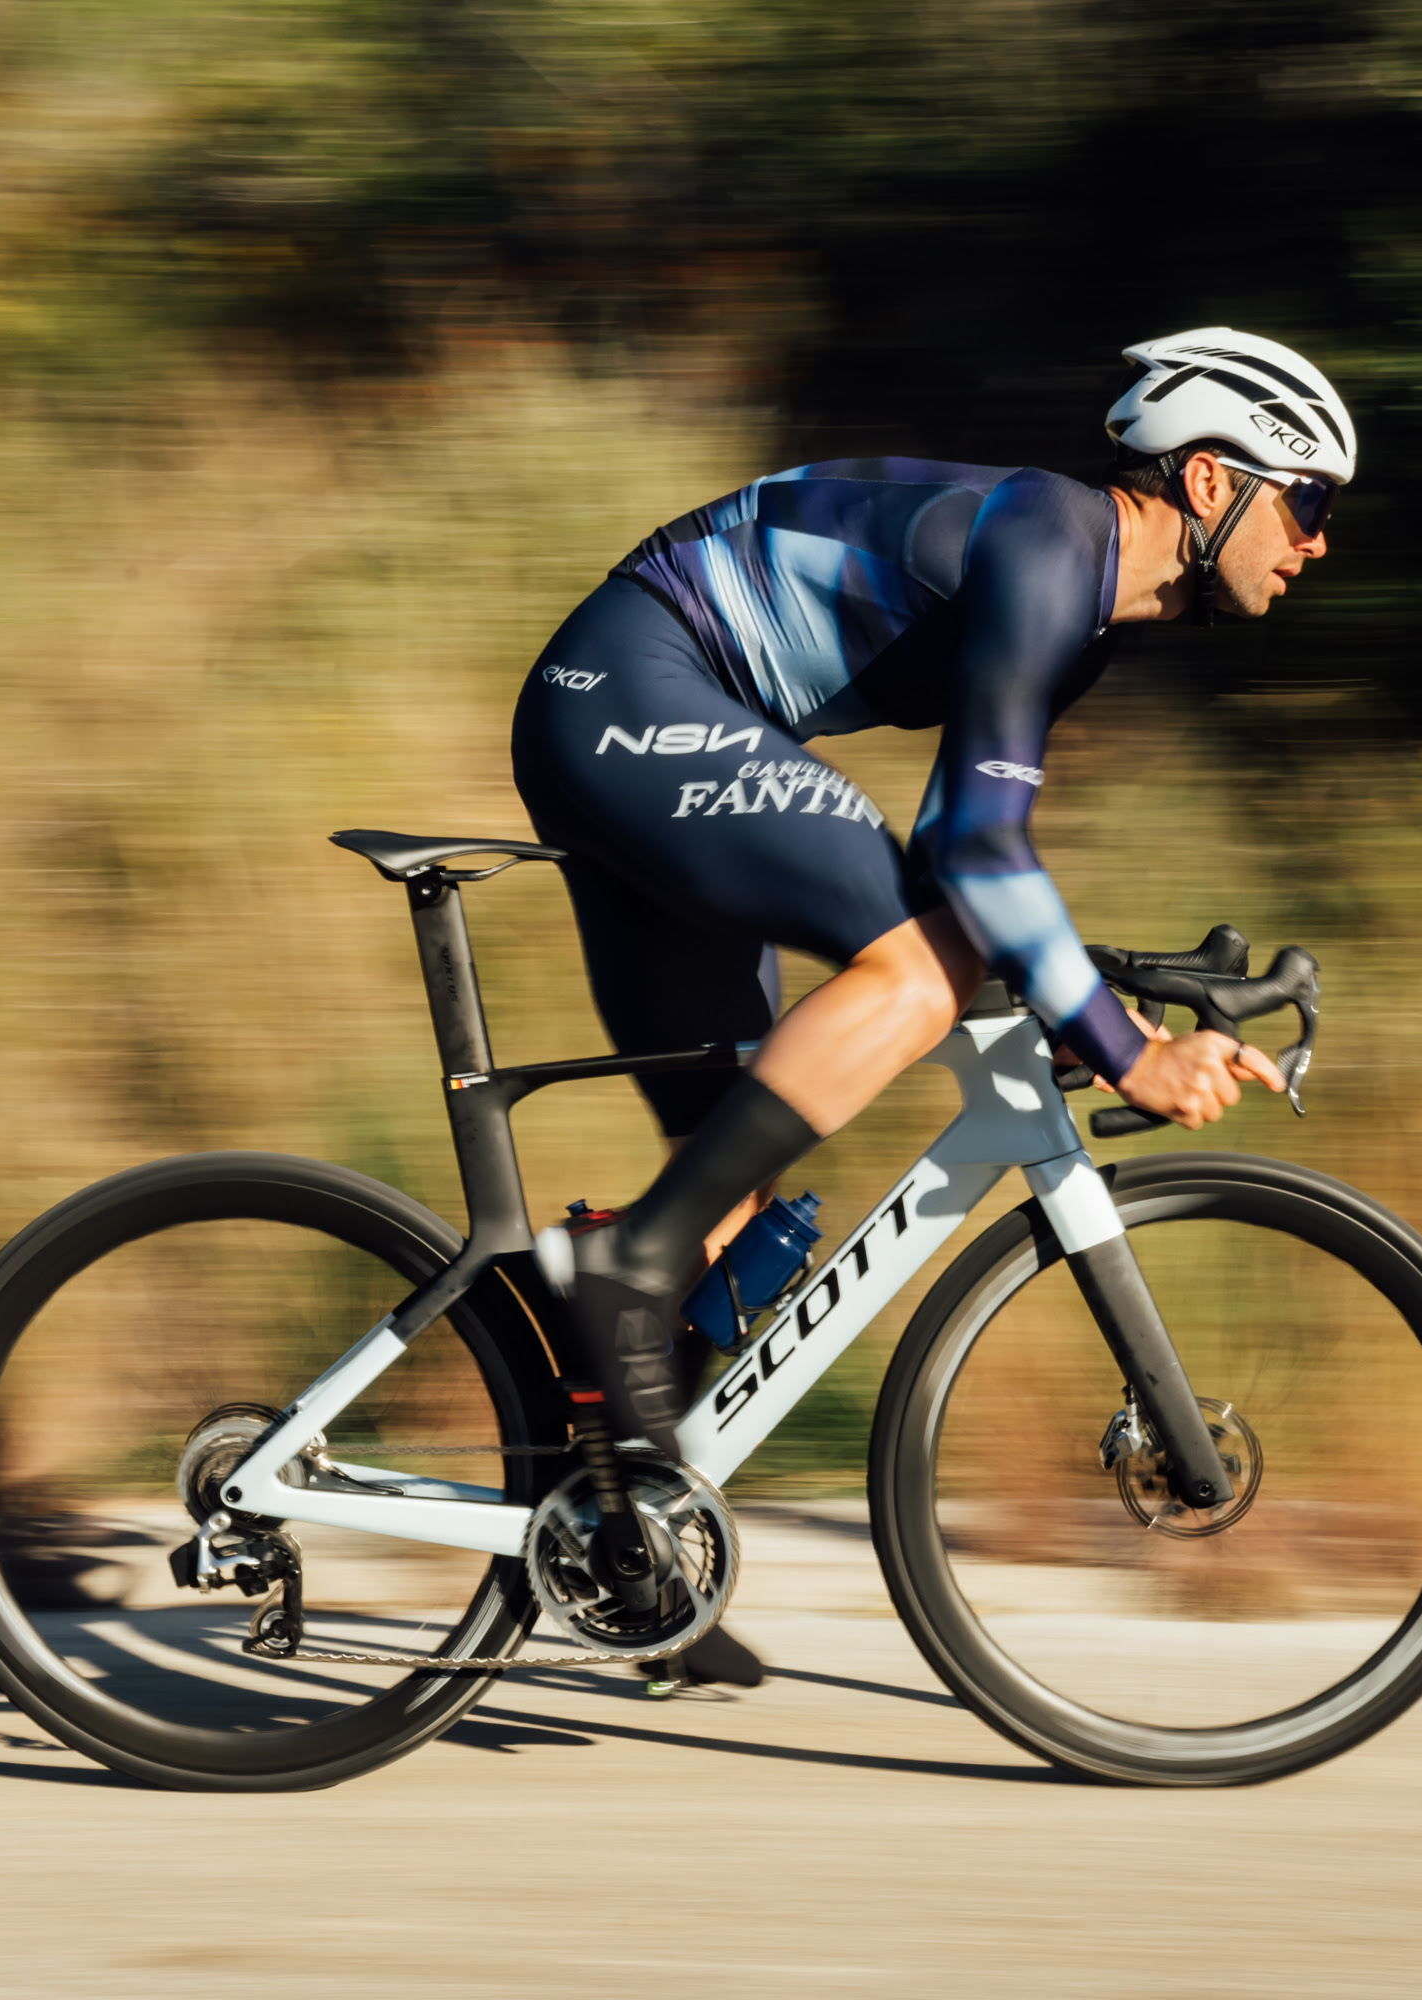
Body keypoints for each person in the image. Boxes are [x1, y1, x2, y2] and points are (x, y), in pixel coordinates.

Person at [506, 329, 1355, 1689]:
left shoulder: (1082, 606)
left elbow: (972, 846)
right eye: (1306, 502)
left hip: (638, 713)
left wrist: (1100, 996)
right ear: (1210, 481)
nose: (1316, 541)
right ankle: (623, 1269)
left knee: (734, 1193)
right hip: (635, 691)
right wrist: (1122, 1051)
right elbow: (972, 859)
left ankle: (616, 1548)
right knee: (914, 974)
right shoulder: (1055, 543)